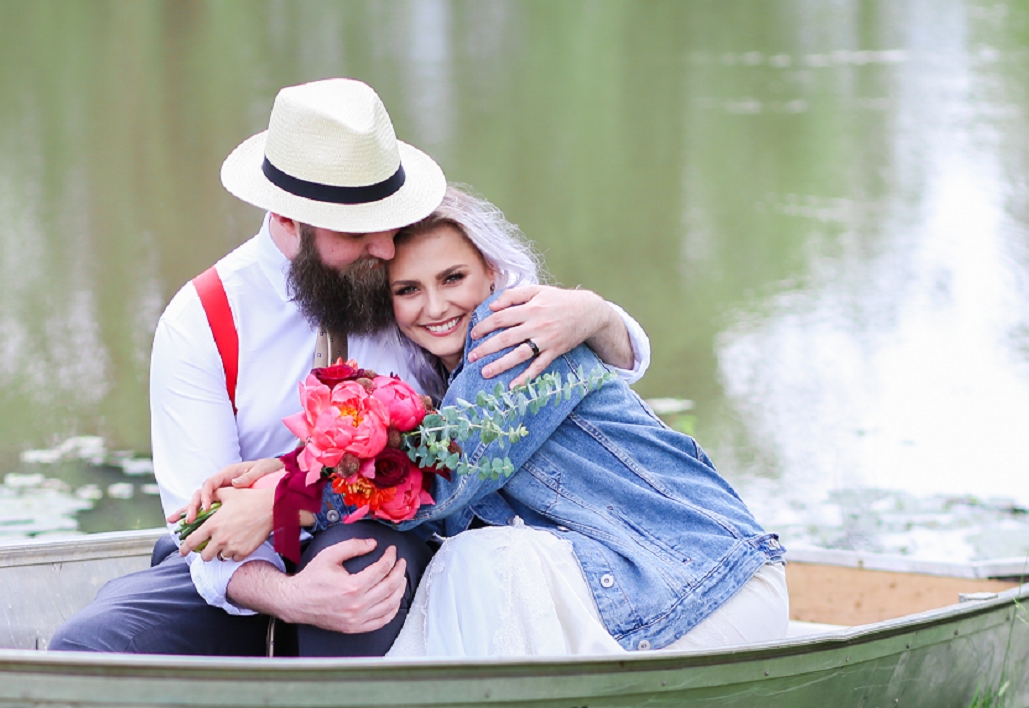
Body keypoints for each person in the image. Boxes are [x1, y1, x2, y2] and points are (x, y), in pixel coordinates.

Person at [47, 78, 655, 656]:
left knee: (358, 576)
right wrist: (287, 595)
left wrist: (597, 315)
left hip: (393, 543)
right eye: (359, 230)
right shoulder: (201, 320)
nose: (386, 248)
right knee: (92, 644)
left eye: (386, 221)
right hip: (249, 568)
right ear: (288, 220)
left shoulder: (418, 279)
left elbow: (561, 362)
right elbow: (202, 527)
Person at [194, 187, 789, 657]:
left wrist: (282, 502)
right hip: (650, 587)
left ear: (490, 272)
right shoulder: (450, 384)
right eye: (408, 289)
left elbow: (439, 478)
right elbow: (428, 449)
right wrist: (285, 467)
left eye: (452, 279)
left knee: (482, 566)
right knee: (478, 565)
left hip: (707, 583)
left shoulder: (518, 337)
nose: (434, 306)